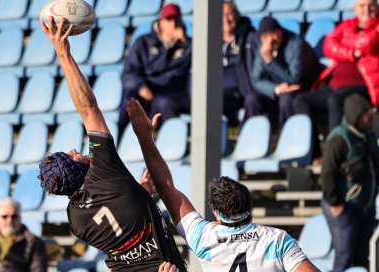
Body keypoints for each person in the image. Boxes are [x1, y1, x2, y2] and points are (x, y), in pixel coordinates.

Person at [38, 17, 187, 272]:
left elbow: (119, 237)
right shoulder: (103, 169)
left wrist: (138, 193)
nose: (75, 150)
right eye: (71, 156)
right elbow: (88, 109)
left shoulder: (77, 221)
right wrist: (63, 53)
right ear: (75, 171)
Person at [126, 98, 320, 272]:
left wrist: (145, 138)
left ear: (216, 213)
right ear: (249, 205)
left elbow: (166, 188)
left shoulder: (204, 238)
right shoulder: (277, 240)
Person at [294, 0, 379, 161]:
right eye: (362, 5)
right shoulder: (347, 24)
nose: (366, 9)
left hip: (363, 87)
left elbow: (370, 42)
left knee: (335, 100)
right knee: (301, 101)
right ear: (355, 9)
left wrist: (345, 42)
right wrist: (352, 53)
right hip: (334, 85)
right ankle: (313, 155)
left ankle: (334, 153)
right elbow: (328, 44)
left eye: (371, 5)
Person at [321, 94, 378, 272]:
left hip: (365, 209)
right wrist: (335, 202)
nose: (371, 115)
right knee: (344, 258)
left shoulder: (368, 135)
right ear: (355, 115)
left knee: (362, 259)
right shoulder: (339, 138)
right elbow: (327, 173)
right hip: (344, 209)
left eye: (371, 110)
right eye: (366, 112)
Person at [118, 3, 191, 141]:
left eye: (176, 19)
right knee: (129, 103)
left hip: (169, 93)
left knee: (166, 102)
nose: (173, 24)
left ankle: (171, 145)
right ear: (161, 22)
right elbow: (129, 72)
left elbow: (204, 61)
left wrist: (186, 41)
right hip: (143, 91)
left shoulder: (188, 46)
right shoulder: (144, 42)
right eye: (169, 20)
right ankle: (115, 147)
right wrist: (142, 87)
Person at [242, 16, 323, 130]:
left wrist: (270, 62)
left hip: (302, 88)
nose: (270, 40)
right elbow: (256, 78)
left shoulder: (296, 44)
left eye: (273, 34)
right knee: (252, 99)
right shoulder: (263, 46)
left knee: (286, 100)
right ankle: (248, 141)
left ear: (281, 31)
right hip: (278, 90)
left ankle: (285, 142)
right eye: (265, 36)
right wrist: (276, 89)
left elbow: (294, 78)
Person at [0, 197, 48, 272]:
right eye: (5, 216)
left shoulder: (33, 242)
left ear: (19, 218)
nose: (9, 220)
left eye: (14, 216)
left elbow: (38, 268)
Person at [221, 1, 260, 125]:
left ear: (237, 14)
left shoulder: (250, 37)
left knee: (210, 102)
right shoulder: (212, 39)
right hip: (215, 90)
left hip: (238, 93)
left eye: (229, 14)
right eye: (222, 15)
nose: (226, 19)